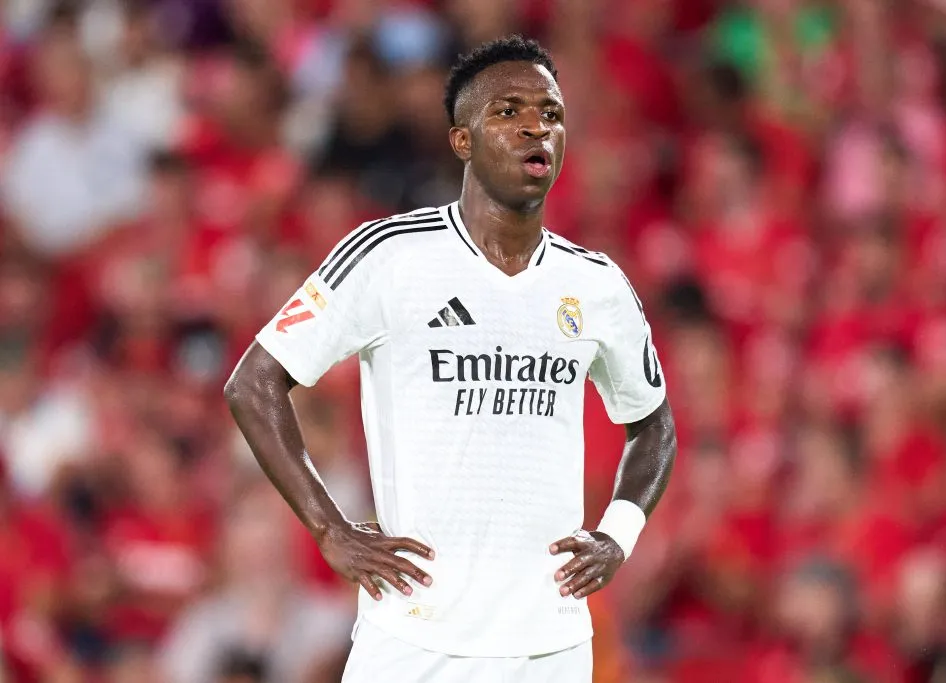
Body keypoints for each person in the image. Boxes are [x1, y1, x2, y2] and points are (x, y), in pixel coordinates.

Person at [224, 35, 677, 683]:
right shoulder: (389, 255)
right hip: (415, 639)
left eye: (550, 113)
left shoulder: (596, 284)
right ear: (462, 140)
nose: (534, 128)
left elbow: (653, 420)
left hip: (549, 645)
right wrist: (330, 529)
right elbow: (253, 384)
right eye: (508, 111)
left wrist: (619, 532)